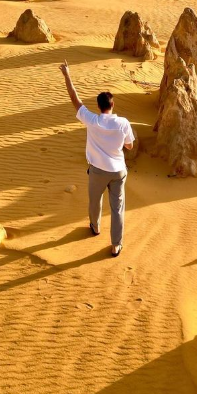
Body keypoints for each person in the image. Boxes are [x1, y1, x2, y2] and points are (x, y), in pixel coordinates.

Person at [60, 60, 134, 257]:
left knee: (95, 201)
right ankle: (116, 245)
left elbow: (75, 100)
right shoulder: (123, 123)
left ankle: (95, 227)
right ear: (112, 104)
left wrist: (67, 75)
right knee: (117, 208)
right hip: (118, 171)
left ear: (99, 106)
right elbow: (130, 145)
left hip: (97, 170)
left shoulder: (92, 120)